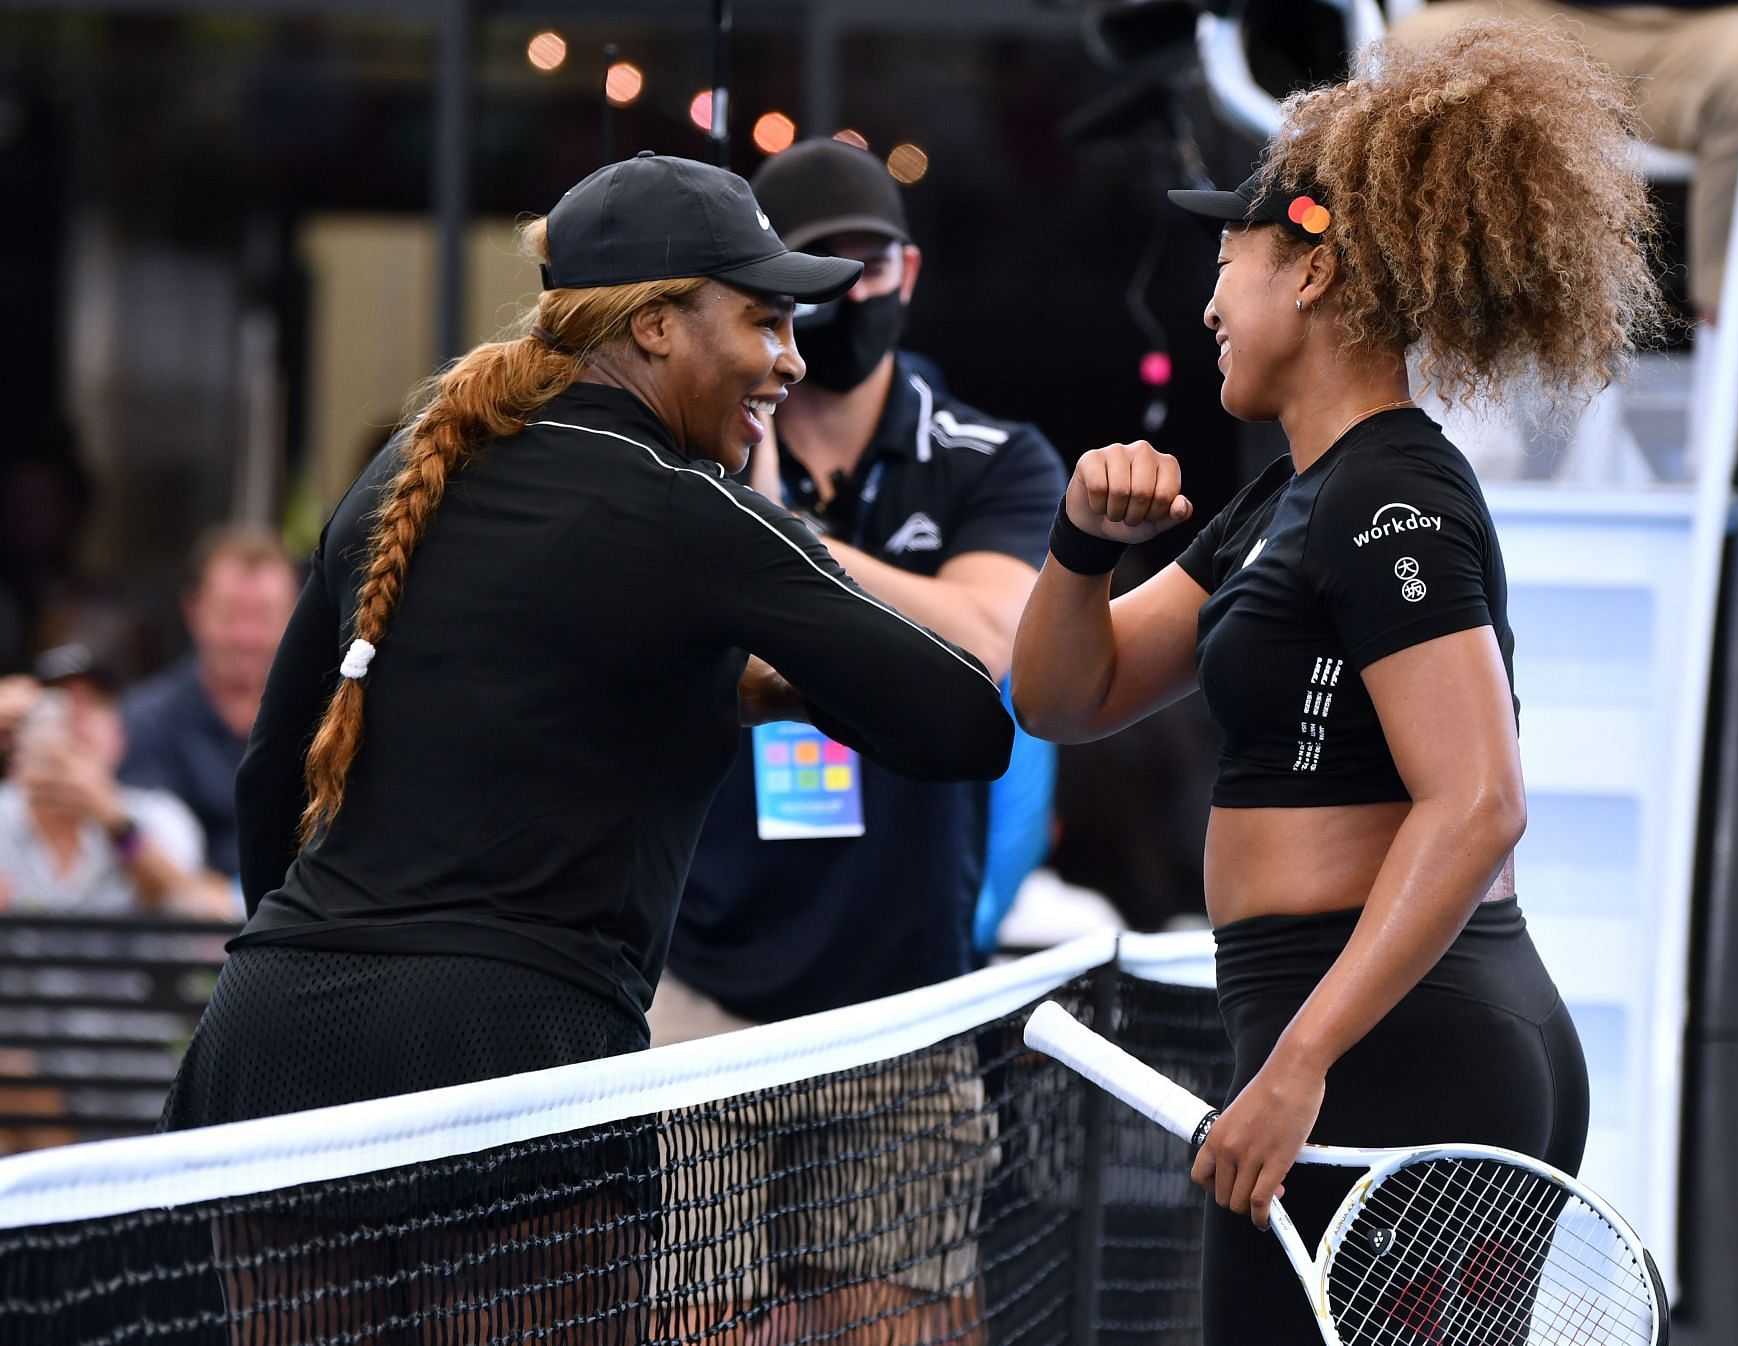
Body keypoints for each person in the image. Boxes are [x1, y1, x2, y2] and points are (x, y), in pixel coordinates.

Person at [157, 151, 1012, 1339]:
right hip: (515, 1067)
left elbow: (271, 784)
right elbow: (964, 719)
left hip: (274, 1046)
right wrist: (767, 690)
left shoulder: (405, 472)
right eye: (764, 318)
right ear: (656, 325)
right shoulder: (695, 510)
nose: (794, 358)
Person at [1010, 25, 1661, 1345]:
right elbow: (1065, 696)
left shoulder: (1392, 490)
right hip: (1365, 1041)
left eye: (1226, 267)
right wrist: (1080, 543)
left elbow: (1479, 801)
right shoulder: (1289, 501)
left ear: (1310, 271)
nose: (1205, 306)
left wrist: (1300, 1061)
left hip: (1397, 1051)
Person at [650, 136, 1064, 1343]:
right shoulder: (682, 448)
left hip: (903, 997)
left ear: (909, 271)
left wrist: (788, 543)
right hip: (703, 982)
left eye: (866, 268)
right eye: (808, 280)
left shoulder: (989, 455)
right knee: (700, 1319)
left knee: (905, 1322)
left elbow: (995, 637)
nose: (844, 301)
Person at [1390, 0, 1738, 325]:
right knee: (1420, 47)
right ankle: (1452, 347)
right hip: (1525, 15)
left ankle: (1735, 358)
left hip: (1717, 25)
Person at [120, 525, 300, 880]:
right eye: (230, 614)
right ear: (193, 611)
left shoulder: (331, 719)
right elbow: (131, 846)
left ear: (297, 615)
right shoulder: (144, 721)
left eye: (264, 616)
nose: (246, 637)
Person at [0, 644, 228, 918]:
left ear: (119, 736)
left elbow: (199, 910)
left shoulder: (157, 816)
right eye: (57, 703)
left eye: (94, 703)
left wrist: (114, 822)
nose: (75, 718)